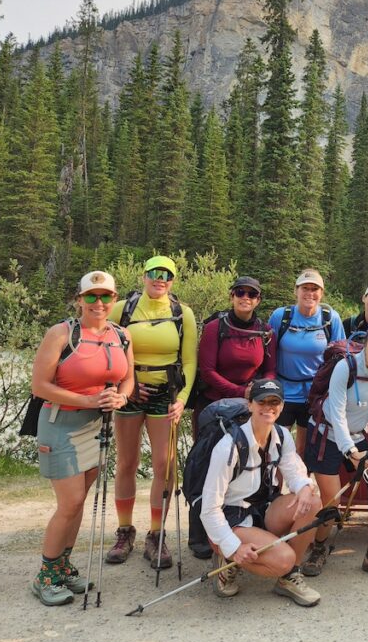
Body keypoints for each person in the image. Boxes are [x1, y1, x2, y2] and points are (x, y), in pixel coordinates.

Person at [30, 271, 133, 605]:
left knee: (80, 501)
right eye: (91, 296)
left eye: (105, 296)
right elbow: (40, 386)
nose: (99, 303)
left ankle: (63, 568)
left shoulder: (122, 335)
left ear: (114, 300)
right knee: (70, 502)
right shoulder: (61, 333)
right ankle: (45, 575)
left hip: (97, 426)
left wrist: (121, 398)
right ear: (79, 299)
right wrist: (89, 400)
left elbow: (128, 379)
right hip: (61, 423)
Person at [106, 255, 198, 570]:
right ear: (143, 275)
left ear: (173, 280)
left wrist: (182, 398)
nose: (160, 279)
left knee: (165, 465)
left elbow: (189, 361)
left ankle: (156, 534)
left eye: (167, 275)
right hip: (129, 393)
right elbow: (110, 351)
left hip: (166, 395)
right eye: (154, 273)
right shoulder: (123, 310)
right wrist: (123, 386)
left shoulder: (182, 314)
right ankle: (124, 531)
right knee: (126, 462)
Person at [200, 378, 323, 606]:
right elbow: (208, 509)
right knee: (284, 559)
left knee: (313, 502)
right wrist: (233, 546)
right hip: (231, 518)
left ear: (282, 405)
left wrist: (304, 487)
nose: (268, 407)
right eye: (261, 401)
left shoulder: (282, 435)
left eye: (274, 401)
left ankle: (288, 577)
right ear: (250, 405)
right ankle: (227, 559)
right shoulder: (228, 447)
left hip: (263, 508)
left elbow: (293, 468)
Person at [302, 320, 368, 582]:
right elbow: (335, 412)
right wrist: (351, 452)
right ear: (366, 342)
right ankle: (319, 548)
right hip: (325, 433)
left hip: (358, 434)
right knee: (331, 499)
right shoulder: (345, 367)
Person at [190, 275, 276, 559]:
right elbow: (207, 371)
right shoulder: (216, 328)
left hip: (249, 411)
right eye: (240, 292)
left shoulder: (265, 332)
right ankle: (201, 535)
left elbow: (270, 371)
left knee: (247, 471)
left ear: (258, 300)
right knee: (206, 471)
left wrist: (261, 396)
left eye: (252, 294)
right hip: (213, 410)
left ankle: (244, 526)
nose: (245, 298)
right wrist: (242, 392)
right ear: (232, 296)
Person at [268, 269, 345, 457]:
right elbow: (267, 353)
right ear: (296, 291)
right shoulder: (281, 317)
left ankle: (299, 487)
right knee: (276, 447)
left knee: (303, 449)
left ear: (321, 293)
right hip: (283, 392)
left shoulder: (330, 318)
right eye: (305, 288)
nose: (310, 293)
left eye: (314, 289)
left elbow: (340, 357)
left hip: (314, 395)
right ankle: (275, 487)